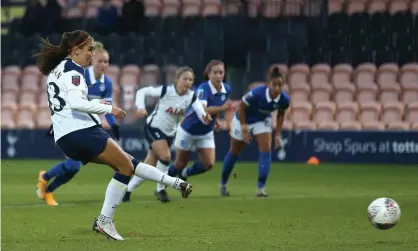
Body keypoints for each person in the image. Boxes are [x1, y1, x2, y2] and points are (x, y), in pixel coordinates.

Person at [34, 30, 192, 241]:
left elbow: (71, 103)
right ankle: (104, 220)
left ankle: (175, 183)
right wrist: (109, 109)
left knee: (128, 163)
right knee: (125, 167)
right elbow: (76, 103)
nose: (91, 54)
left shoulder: (57, 68)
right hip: (80, 131)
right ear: (76, 50)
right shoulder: (74, 71)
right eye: (89, 49)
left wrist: (101, 106)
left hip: (67, 136)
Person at [36, 42, 120, 206]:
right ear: (92, 60)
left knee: (74, 168)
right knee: (74, 165)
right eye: (100, 61)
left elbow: (106, 107)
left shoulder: (107, 83)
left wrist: (114, 125)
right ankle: (45, 181)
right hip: (70, 125)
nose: (103, 65)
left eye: (106, 62)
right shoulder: (78, 75)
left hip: (86, 127)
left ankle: (47, 187)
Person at [123, 67, 212, 203]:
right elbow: (142, 91)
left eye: (191, 80)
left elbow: (200, 112)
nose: (188, 82)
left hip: (169, 133)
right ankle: (160, 189)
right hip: (153, 127)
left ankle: (127, 190)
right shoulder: (166, 90)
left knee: (149, 166)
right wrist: (140, 107)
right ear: (177, 80)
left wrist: (205, 118)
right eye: (185, 79)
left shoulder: (191, 96)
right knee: (165, 156)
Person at [220, 66, 290, 197]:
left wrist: (278, 135)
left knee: (266, 150)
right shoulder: (257, 94)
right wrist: (244, 128)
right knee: (235, 151)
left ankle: (260, 188)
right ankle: (223, 184)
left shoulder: (284, 100)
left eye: (280, 85)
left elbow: (281, 114)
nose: (277, 88)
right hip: (243, 119)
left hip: (261, 120)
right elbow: (241, 107)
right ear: (268, 84)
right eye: (274, 85)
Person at [167, 60, 232, 180]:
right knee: (180, 163)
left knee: (208, 164)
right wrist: (222, 108)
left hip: (206, 132)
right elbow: (203, 109)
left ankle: (184, 174)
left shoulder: (227, 89)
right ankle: (161, 184)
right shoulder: (203, 88)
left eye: (221, 72)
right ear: (209, 74)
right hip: (188, 130)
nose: (218, 76)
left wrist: (216, 119)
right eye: (215, 72)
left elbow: (216, 105)